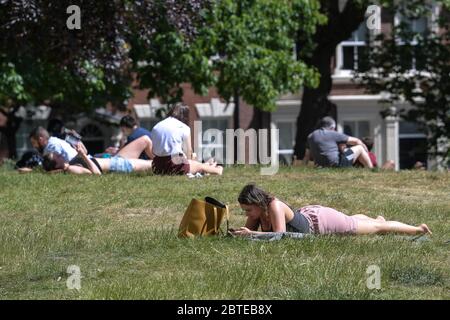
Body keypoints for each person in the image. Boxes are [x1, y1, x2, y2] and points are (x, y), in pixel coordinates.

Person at [231, 184, 431, 237]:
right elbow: (248, 233)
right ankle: (372, 218)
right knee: (353, 220)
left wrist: (252, 234)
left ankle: (417, 228)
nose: (247, 215)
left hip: (321, 222)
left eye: (248, 210)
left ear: (259, 204)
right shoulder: (258, 213)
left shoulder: (273, 205)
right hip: (311, 215)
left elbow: (280, 236)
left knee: (379, 228)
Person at [151, 104, 223, 175]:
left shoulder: (156, 126)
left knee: (196, 164)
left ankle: (208, 165)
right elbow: (188, 152)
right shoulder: (184, 127)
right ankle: (217, 170)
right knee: (199, 166)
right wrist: (192, 160)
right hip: (175, 165)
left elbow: (153, 151)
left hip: (157, 166)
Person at [42, 135, 153, 175]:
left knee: (145, 140)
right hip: (118, 165)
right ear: (56, 165)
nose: (59, 154)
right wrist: (82, 155)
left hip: (115, 159)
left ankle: (163, 162)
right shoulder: (71, 168)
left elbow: (85, 153)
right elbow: (96, 174)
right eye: (56, 157)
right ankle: (165, 166)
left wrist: (81, 148)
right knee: (153, 164)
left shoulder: (70, 163)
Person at [306, 117, 373, 169]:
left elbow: (309, 154)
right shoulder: (333, 134)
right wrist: (366, 150)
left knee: (346, 151)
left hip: (319, 166)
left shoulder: (311, 136)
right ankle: (371, 170)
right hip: (337, 165)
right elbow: (356, 141)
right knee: (360, 148)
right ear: (332, 127)